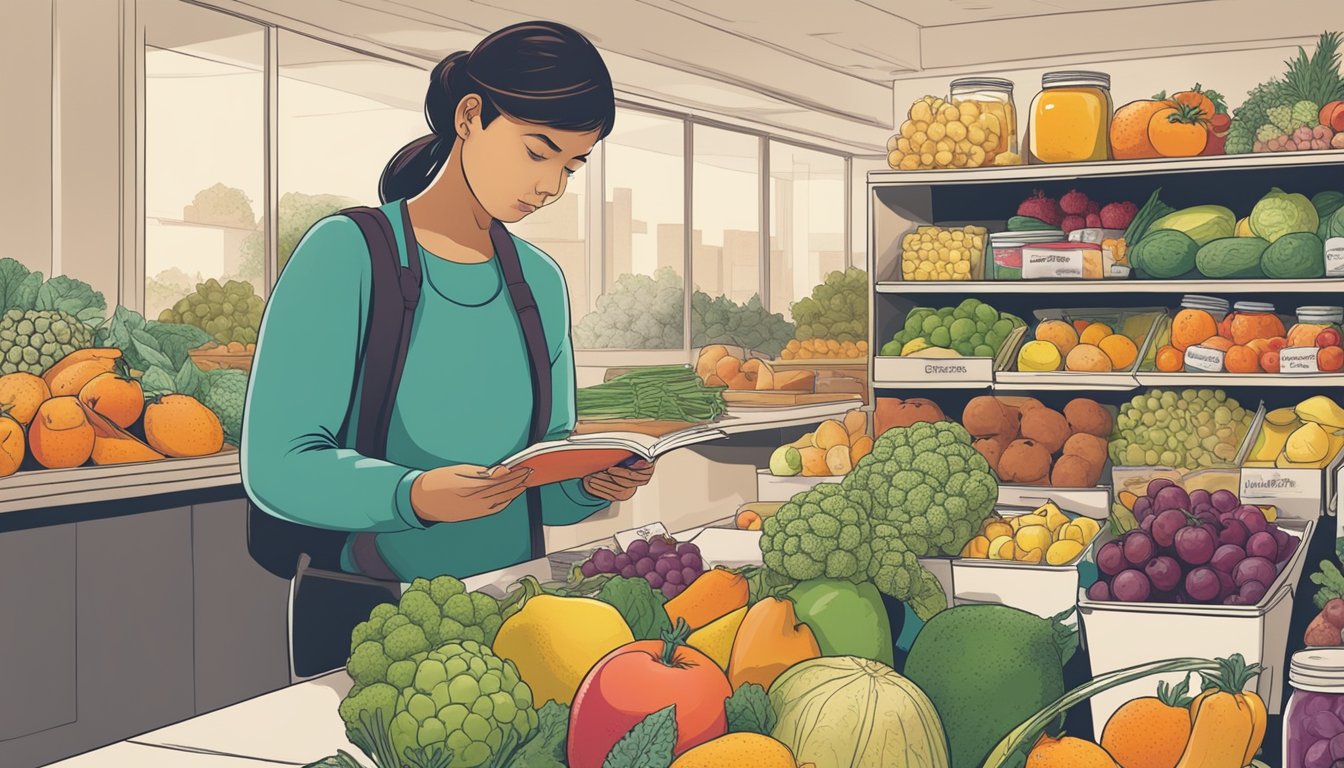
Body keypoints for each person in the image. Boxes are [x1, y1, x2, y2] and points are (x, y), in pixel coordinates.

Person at [241, 21, 653, 585]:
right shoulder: (347, 253)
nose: (552, 186)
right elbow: (278, 466)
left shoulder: (539, 281)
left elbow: (543, 484)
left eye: (571, 167)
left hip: (513, 598)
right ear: (468, 117)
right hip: (372, 607)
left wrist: (587, 484)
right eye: (538, 152)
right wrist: (413, 495)